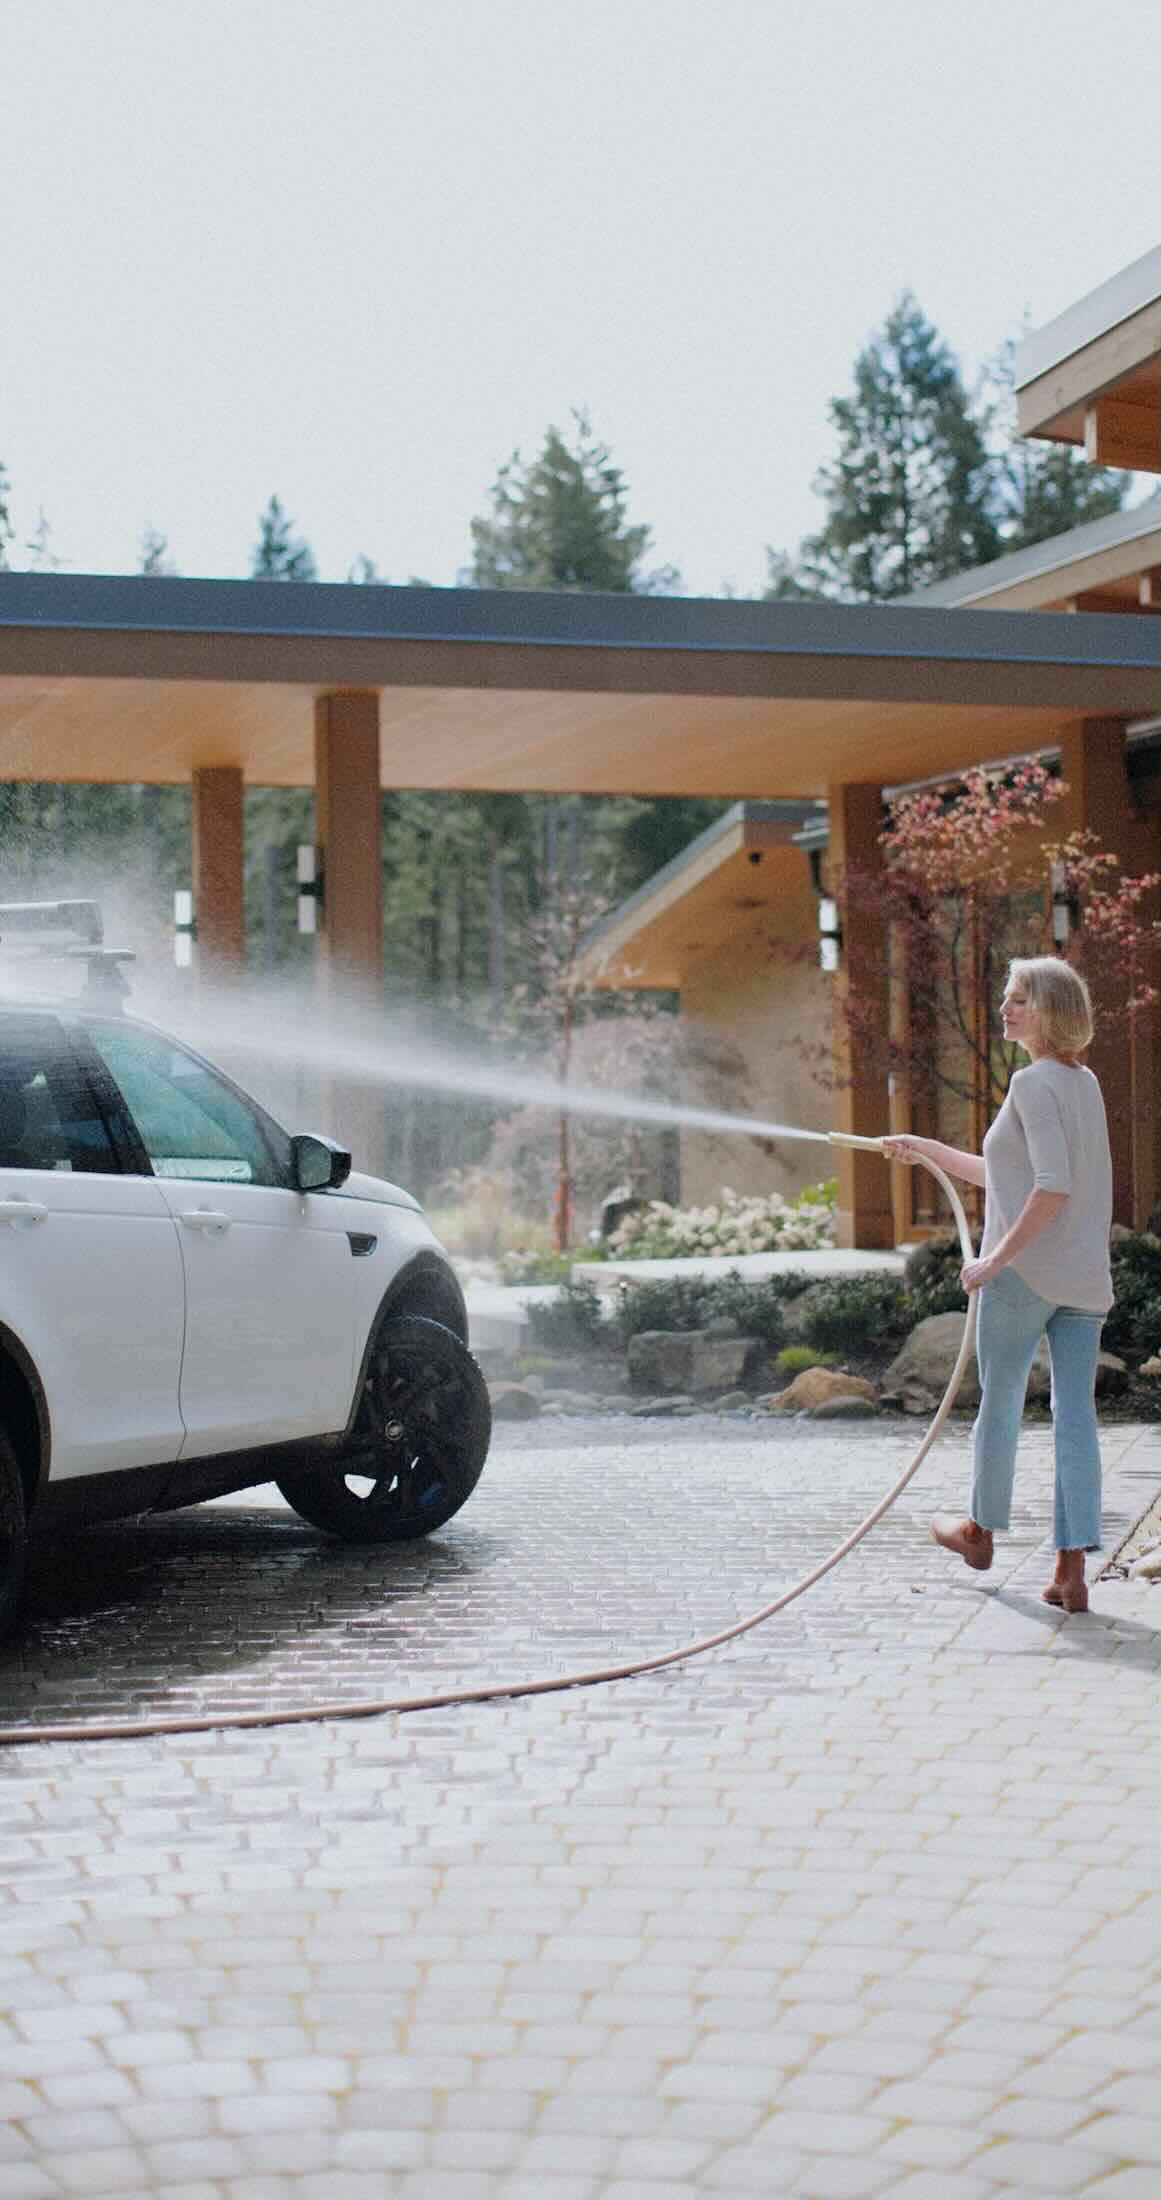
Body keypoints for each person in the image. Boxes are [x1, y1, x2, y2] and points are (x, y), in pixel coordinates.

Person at [883, 956, 1112, 1615]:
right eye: (1006, 998)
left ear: (1051, 1012)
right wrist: (924, 1147)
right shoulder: (1082, 1083)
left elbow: (1049, 1189)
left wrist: (991, 1263)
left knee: (1001, 1401)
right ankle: (1070, 1573)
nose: (1005, 1009)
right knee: (1075, 1418)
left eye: (1019, 1000)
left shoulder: (1031, 1083)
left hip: (1023, 1276)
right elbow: (1006, 1174)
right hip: (1082, 1280)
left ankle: (979, 1533)